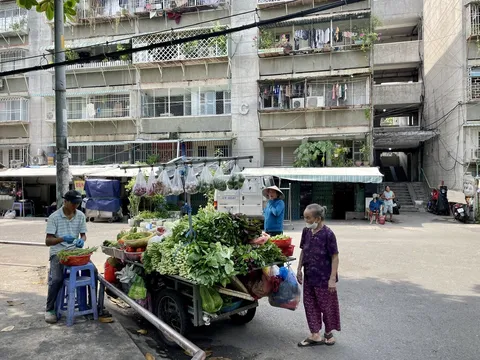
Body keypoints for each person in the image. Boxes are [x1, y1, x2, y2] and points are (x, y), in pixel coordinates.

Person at [297, 204, 340, 347]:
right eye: (305, 217)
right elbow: (303, 251)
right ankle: (315, 334)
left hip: (324, 278)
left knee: (327, 306)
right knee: (309, 304)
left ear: (318, 218)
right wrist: (299, 269)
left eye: (308, 218)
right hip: (309, 275)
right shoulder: (306, 232)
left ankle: (328, 333)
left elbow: (335, 257)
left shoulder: (328, 234)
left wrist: (332, 279)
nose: (306, 221)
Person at [44, 190, 88, 324]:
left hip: (74, 252)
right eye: (73, 203)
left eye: (78, 204)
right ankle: (49, 309)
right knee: (57, 279)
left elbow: (83, 234)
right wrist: (62, 239)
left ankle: (89, 305)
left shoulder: (80, 216)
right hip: (58, 252)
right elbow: (48, 241)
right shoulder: (54, 217)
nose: (76, 206)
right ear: (65, 202)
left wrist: (82, 240)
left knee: (94, 273)